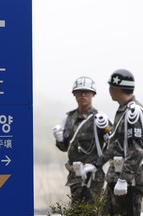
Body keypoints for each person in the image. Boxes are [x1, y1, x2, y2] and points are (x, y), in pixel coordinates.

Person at [86, 69, 143, 215]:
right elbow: (114, 146)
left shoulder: (133, 112)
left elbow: (137, 150)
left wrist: (124, 179)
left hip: (129, 182)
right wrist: (96, 164)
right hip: (115, 178)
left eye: (110, 86)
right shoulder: (123, 110)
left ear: (115, 88)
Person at [53, 76, 112, 205]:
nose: (83, 95)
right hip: (75, 175)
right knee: (76, 210)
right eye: (79, 92)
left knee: (91, 211)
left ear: (93, 94)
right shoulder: (69, 118)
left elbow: (112, 146)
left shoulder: (100, 119)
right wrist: (59, 139)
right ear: (74, 94)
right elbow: (65, 147)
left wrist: (96, 165)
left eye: (87, 92)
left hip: (93, 176)